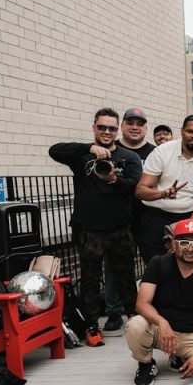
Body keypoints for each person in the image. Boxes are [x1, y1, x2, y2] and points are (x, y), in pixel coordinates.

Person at [49, 108, 142, 347]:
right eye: (102, 127)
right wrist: (88, 148)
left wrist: (114, 179)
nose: (107, 132)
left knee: (126, 277)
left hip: (119, 228)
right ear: (94, 128)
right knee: (89, 279)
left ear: (118, 129)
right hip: (88, 229)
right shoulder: (83, 155)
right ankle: (92, 325)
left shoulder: (127, 157)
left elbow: (133, 186)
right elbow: (54, 150)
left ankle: (135, 320)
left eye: (112, 128)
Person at [126, 218, 193, 385]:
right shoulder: (158, 264)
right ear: (173, 244)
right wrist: (162, 322)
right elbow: (142, 304)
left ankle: (181, 355)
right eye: (183, 242)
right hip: (162, 331)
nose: (190, 248)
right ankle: (146, 364)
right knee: (136, 325)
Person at [135, 115, 193, 261]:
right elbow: (140, 191)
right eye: (190, 131)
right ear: (182, 131)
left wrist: (184, 232)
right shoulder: (162, 152)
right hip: (158, 215)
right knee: (157, 265)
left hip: (192, 215)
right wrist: (162, 193)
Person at [103, 106, 154, 332]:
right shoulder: (110, 150)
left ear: (145, 128)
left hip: (147, 216)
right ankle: (115, 311)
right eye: (130, 123)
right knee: (115, 266)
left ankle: (150, 306)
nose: (135, 127)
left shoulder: (155, 153)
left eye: (140, 124)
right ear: (122, 126)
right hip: (117, 218)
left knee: (152, 264)